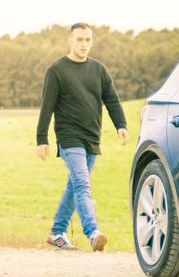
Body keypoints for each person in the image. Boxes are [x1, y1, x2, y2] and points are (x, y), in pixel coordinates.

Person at [36, 23, 129, 251]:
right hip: (69, 137)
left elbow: (112, 100)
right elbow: (46, 107)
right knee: (82, 184)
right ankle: (92, 232)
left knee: (74, 185)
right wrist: (42, 139)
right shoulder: (57, 70)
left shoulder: (98, 70)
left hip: (92, 138)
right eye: (80, 39)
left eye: (88, 40)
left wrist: (121, 125)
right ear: (70, 40)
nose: (84, 44)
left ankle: (56, 233)